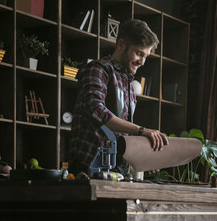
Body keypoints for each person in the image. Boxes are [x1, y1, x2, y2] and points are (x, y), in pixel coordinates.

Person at [69, 19, 169, 176]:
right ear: (121, 44)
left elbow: (123, 135)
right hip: (89, 168)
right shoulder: (97, 69)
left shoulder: (128, 83)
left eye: (146, 56)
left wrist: (141, 158)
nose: (142, 62)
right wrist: (142, 131)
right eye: (138, 53)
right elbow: (96, 109)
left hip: (118, 170)